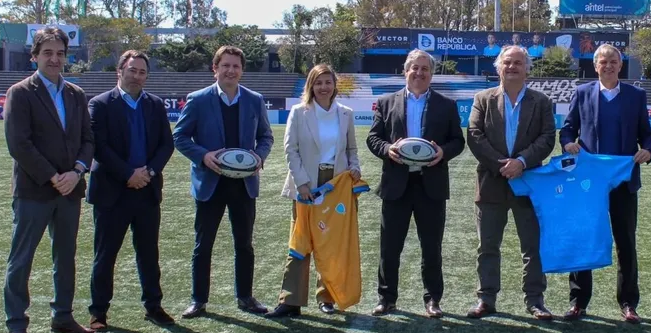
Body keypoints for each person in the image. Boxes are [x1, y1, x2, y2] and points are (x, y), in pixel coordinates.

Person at [2, 26, 94, 333]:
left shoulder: (76, 94)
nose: (54, 59)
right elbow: (19, 144)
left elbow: (88, 139)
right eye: (47, 53)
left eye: (60, 53)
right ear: (35, 56)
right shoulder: (20, 93)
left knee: (65, 257)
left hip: (70, 191)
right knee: (22, 258)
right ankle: (16, 322)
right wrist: (54, 176)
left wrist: (77, 172)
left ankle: (63, 315)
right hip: (34, 191)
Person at [173, 45, 274, 318]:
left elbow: (266, 137)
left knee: (244, 244)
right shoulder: (198, 100)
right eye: (225, 65)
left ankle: (245, 296)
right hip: (210, 184)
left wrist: (259, 156)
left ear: (242, 70)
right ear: (215, 69)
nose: (231, 71)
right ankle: (198, 300)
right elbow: (180, 136)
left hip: (244, 185)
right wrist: (203, 156)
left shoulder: (254, 100)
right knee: (203, 245)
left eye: (236, 66)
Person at [366, 49, 465, 317]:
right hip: (396, 185)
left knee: (431, 247)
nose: (419, 73)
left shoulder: (446, 105)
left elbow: (458, 141)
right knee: (389, 247)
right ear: (405, 71)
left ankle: (433, 299)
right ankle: (386, 297)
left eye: (425, 69)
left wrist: (443, 152)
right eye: (415, 68)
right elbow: (373, 138)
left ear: (432, 74)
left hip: (430, 186)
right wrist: (387, 149)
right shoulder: (386, 102)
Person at [560, 44, 651, 322]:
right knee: (584, 239)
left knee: (626, 243)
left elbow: (646, 134)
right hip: (589, 185)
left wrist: (648, 151)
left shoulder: (636, 96)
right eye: (603, 61)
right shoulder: (582, 93)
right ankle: (578, 301)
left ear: (621, 65)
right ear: (595, 65)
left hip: (623, 182)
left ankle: (628, 303)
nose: (608, 65)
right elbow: (568, 129)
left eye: (613, 61)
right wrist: (568, 143)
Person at [86, 50, 175, 330]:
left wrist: (148, 173)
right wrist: (128, 174)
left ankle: (153, 306)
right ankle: (98, 312)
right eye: (132, 70)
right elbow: (99, 147)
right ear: (120, 71)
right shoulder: (100, 104)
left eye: (142, 72)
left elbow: (166, 144)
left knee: (149, 253)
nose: (137, 76)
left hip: (146, 190)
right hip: (112, 193)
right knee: (105, 255)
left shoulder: (155, 104)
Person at [466, 45, 556, 320]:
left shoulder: (541, 101)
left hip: (529, 183)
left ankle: (535, 299)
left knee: (532, 246)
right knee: (487, 246)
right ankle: (486, 298)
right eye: (507, 62)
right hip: (491, 183)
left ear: (527, 68)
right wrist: (502, 164)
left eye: (518, 62)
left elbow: (547, 137)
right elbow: (474, 134)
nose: (512, 67)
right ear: (499, 67)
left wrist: (522, 162)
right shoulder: (482, 98)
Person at [268, 64, 361, 318]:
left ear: (334, 86)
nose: (323, 87)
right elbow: (291, 150)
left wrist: (355, 168)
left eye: (328, 82)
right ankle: (290, 300)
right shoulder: (299, 112)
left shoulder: (346, 114)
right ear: (311, 86)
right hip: (306, 186)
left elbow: (352, 150)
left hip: (336, 187)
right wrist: (301, 183)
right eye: (318, 82)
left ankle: (326, 297)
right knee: (300, 241)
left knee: (331, 242)